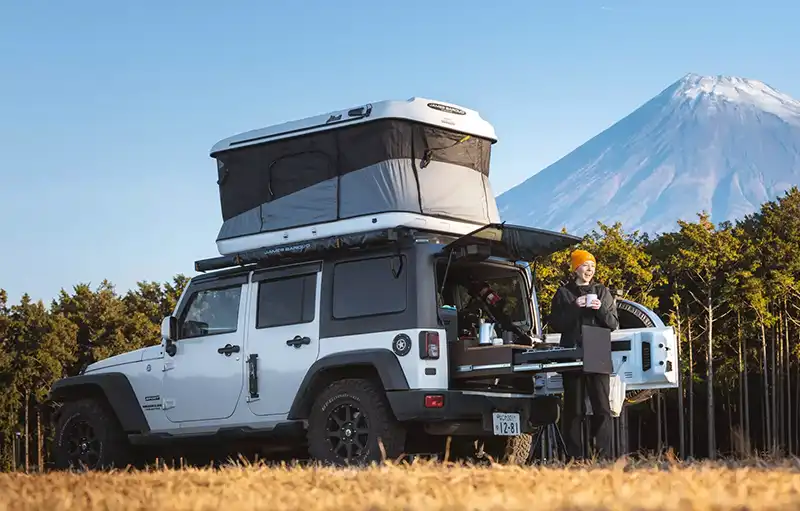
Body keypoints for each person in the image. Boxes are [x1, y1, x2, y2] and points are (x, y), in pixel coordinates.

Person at [548, 249, 619, 461]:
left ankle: (602, 456)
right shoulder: (563, 293)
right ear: (576, 268)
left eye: (593, 266)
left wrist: (600, 309)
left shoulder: (602, 291)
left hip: (598, 351)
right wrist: (575, 307)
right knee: (573, 409)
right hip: (572, 352)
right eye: (585, 265)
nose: (590, 270)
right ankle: (574, 457)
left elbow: (613, 323)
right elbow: (556, 324)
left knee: (602, 407)